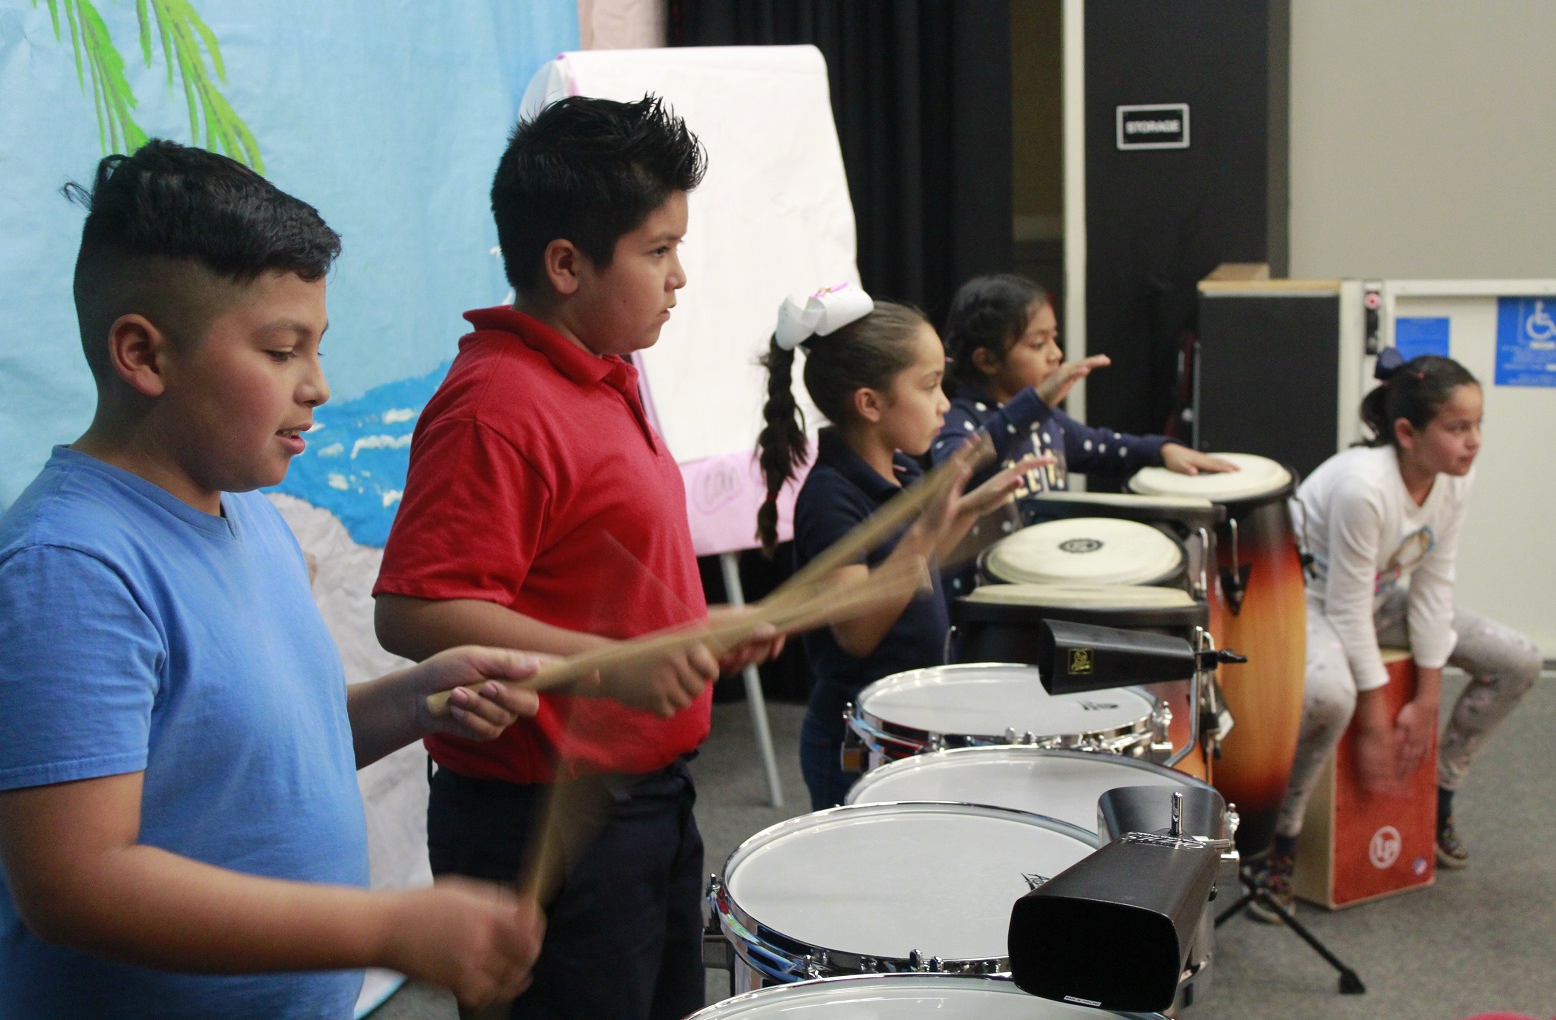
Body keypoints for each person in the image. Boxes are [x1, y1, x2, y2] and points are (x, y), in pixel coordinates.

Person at [0, 141, 546, 1020]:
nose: (319, 386)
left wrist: (416, 701)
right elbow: (78, 884)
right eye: (282, 350)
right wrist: (383, 927)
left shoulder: (248, 513)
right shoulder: (71, 568)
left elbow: (269, 749)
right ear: (143, 354)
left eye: (316, 348)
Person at [372, 95, 779, 1020]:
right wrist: (610, 662)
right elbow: (414, 609)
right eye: (657, 250)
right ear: (565, 264)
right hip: (540, 821)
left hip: (646, 803)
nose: (681, 276)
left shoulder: (607, 370)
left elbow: (592, 580)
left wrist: (690, 631)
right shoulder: (496, 406)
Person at [1247, 350, 1540, 920]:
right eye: (1457, 428)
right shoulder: (1364, 487)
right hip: (1305, 602)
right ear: (1407, 432)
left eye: (1477, 426)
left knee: (1519, 661)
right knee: (1333, 697)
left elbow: (1433, 586)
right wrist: (1376, 722)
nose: (1473, 441)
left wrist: (1428, 699)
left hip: (1378, 600)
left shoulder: (1455, 479)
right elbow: (1345, 605)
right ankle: (1277, 846)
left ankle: (1440, 799)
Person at [755, 284, 1044, 809]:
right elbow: (859, 632)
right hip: (859, 742)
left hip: (908, 726)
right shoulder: (830, 496)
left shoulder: (899, 467)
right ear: (869, 403)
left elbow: (916, 567)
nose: (944, 404)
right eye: (930, 386)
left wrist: (973, 507)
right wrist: (925, 528)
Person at [930, 274, 1233, 590]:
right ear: (987, 360)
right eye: (1037, 344)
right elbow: (957, 470)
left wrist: (1161, 450)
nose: (1056, 354)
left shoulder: (1048, 422)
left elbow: (1103, 447)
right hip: (990, 600)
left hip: (1049, 582)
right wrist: (1033, 405)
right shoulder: (956, 421)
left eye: (1053, 338)